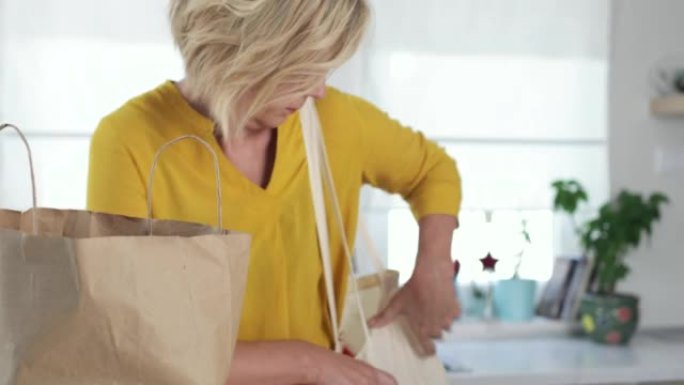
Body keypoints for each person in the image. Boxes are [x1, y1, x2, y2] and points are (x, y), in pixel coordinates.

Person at [87, 1, 462, 384]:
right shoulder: (131, 141)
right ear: (241, 50)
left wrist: (434, 268)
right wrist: (307, 362)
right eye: (301, 70)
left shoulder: (336, 121)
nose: (318, 90)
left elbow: (432, 171)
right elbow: (127, 337)